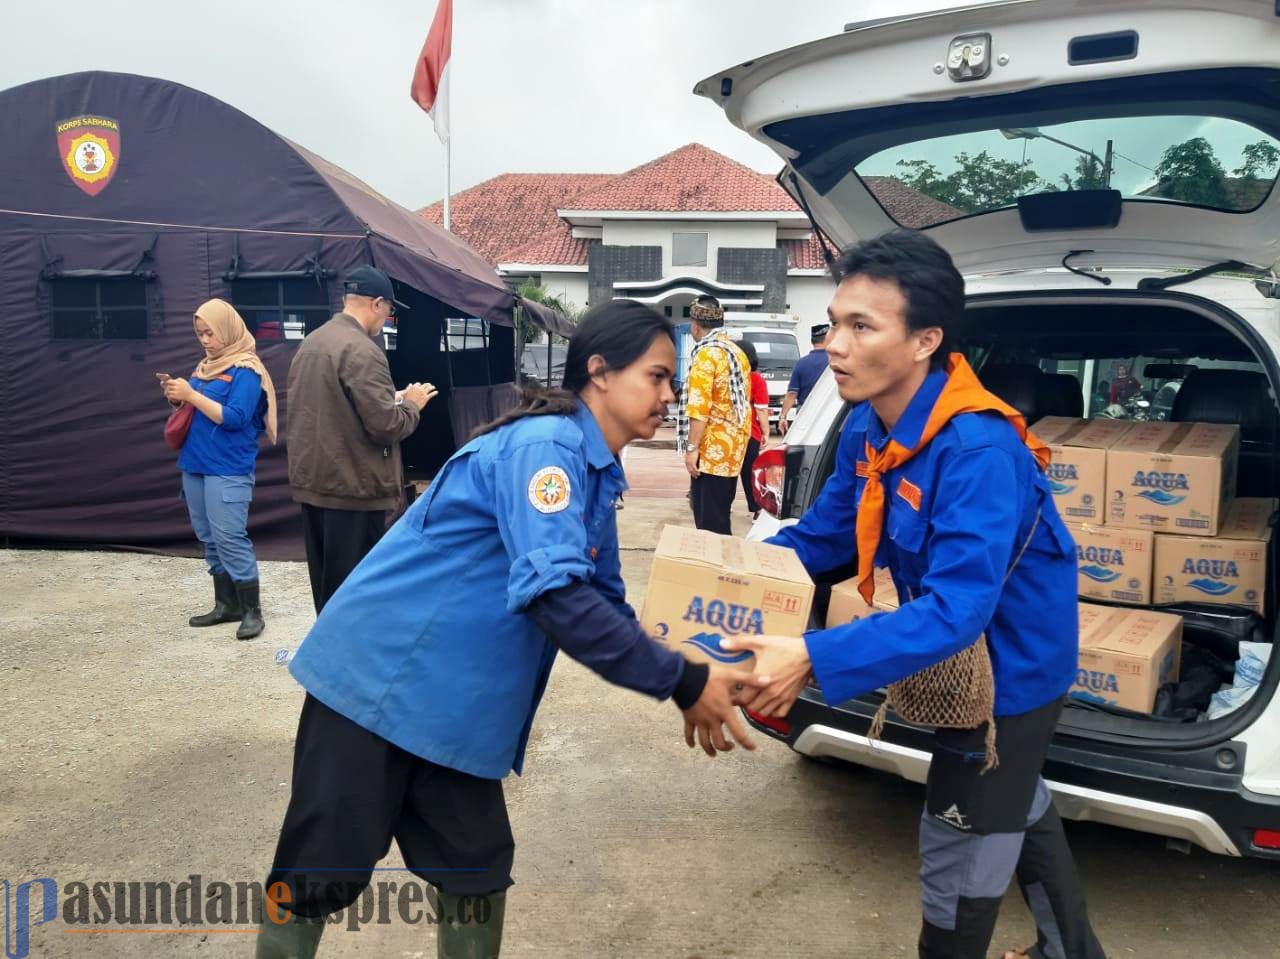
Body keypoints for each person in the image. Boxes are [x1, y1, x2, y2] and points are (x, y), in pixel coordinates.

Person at [255, 300, 767, 958]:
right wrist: (682, 679)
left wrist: (697, 668)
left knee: (476, 867)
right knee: (318, 870)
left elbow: (602, 603)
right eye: (659, 377)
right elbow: (555, 594)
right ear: (601, 372)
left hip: (449, 708)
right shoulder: (545, 450)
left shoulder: (596, 471)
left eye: (672, 381)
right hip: (377, 683)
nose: (670, 395)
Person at [724, 231, 1105, 959]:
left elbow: (959, 610)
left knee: (959, 857)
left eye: (861, 326)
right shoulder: (874, 421)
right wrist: (723, 577)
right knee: (1017, 805)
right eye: (834, 322)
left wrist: (810, 653)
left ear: (926, 339)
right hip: (956, 642)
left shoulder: (977, 450)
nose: (834, 343)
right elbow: (826, 537)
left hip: (1012, 674)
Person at [285, 265, 437, 613]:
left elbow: (334, 408)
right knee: (356, 596)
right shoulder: (363, 350)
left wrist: (392, 397)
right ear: (377, 304)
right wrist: (411, 406)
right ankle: (347, 664)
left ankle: (325, 659)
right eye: (389, 311)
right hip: (353, 491)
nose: (387, 320)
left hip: (315, 484)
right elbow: (386, 426)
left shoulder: (313, 342)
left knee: (328, 589)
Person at [159, 299, 277, 641]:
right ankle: (227, 605)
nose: (205, 339)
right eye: (200, 333)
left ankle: (252, 611)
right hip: (195, 463)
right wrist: (178, 396)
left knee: (229, 536)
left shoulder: (247, 370)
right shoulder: (206, 366)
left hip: (228, 467)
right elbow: (199, 408)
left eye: (210, 332)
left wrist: (192, 397)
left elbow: (236, 417)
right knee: (208, 537)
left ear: (228, 329)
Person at [676, 295, 752, 535]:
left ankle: (719, 571)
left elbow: (699, 407)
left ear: (695, 325)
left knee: (709, 525)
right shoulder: (735, 352)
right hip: (732, 449)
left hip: (711, 452)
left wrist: (691, 449)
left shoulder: (706, 354)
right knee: (720, 514)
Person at [736, 340, 771, 519]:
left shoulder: (728, 376)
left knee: (729, 471)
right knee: (750, 470)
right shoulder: (756, 379)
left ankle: (722, 505)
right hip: (750, 432)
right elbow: (761, 409)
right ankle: (756, 507)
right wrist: (766, 432)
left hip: (728, 431)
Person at [778, 322, 830, 435]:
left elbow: (792, 393)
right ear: (828, 339)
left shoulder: (801, 363)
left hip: (804, 412)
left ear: (812, 341)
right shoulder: (836, 362)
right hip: (829, 412)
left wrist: (782, 417)